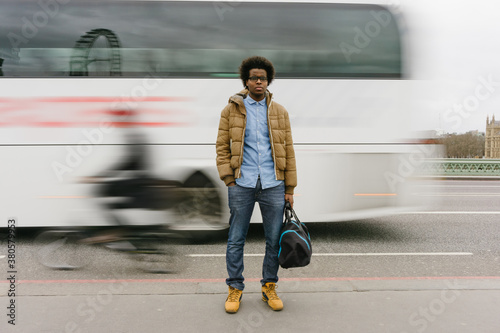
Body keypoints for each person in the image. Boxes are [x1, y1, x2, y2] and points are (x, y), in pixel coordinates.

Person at [216, 56, 297, 313]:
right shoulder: (231, 109)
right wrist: (229, 178)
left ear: (268, 80)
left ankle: (269, 286)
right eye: (253, 78)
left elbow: (289, 151)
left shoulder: (280, 111)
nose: (258, 81)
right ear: (246, 81)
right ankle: (235, 288)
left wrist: (290, 188)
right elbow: (221, 147)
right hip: (241, 183)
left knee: (273, 239)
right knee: (236, 239)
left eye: (262, 77)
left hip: (274, 183)